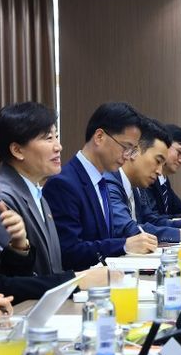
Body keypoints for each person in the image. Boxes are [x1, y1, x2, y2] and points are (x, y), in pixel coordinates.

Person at [43, 102, 158, 271]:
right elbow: (69, 252)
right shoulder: (63, 184)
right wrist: (124, 245)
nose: (127, 156)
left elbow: (103, 239)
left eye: (133, 150)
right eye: (126, 147)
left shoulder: (101, 181)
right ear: (99, 137)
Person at [106, 117, 181, 244]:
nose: (160, 171)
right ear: (134, 151)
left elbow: (152, 220)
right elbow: (128, 230)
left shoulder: (136, 186)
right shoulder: (109, 183)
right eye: (158, 161)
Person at [0, 102, 65, 276]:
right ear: (17, 150)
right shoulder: (2, 198)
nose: (58, 147)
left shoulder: (37, 193)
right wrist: (78, 279)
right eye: (48, 138)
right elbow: (12, 280)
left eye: (56, 136)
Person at [0, 202, 108, 304]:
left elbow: (15, 280)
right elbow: (5, 288)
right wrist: (75, 281)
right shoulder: (7, 195)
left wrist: (19, 244)